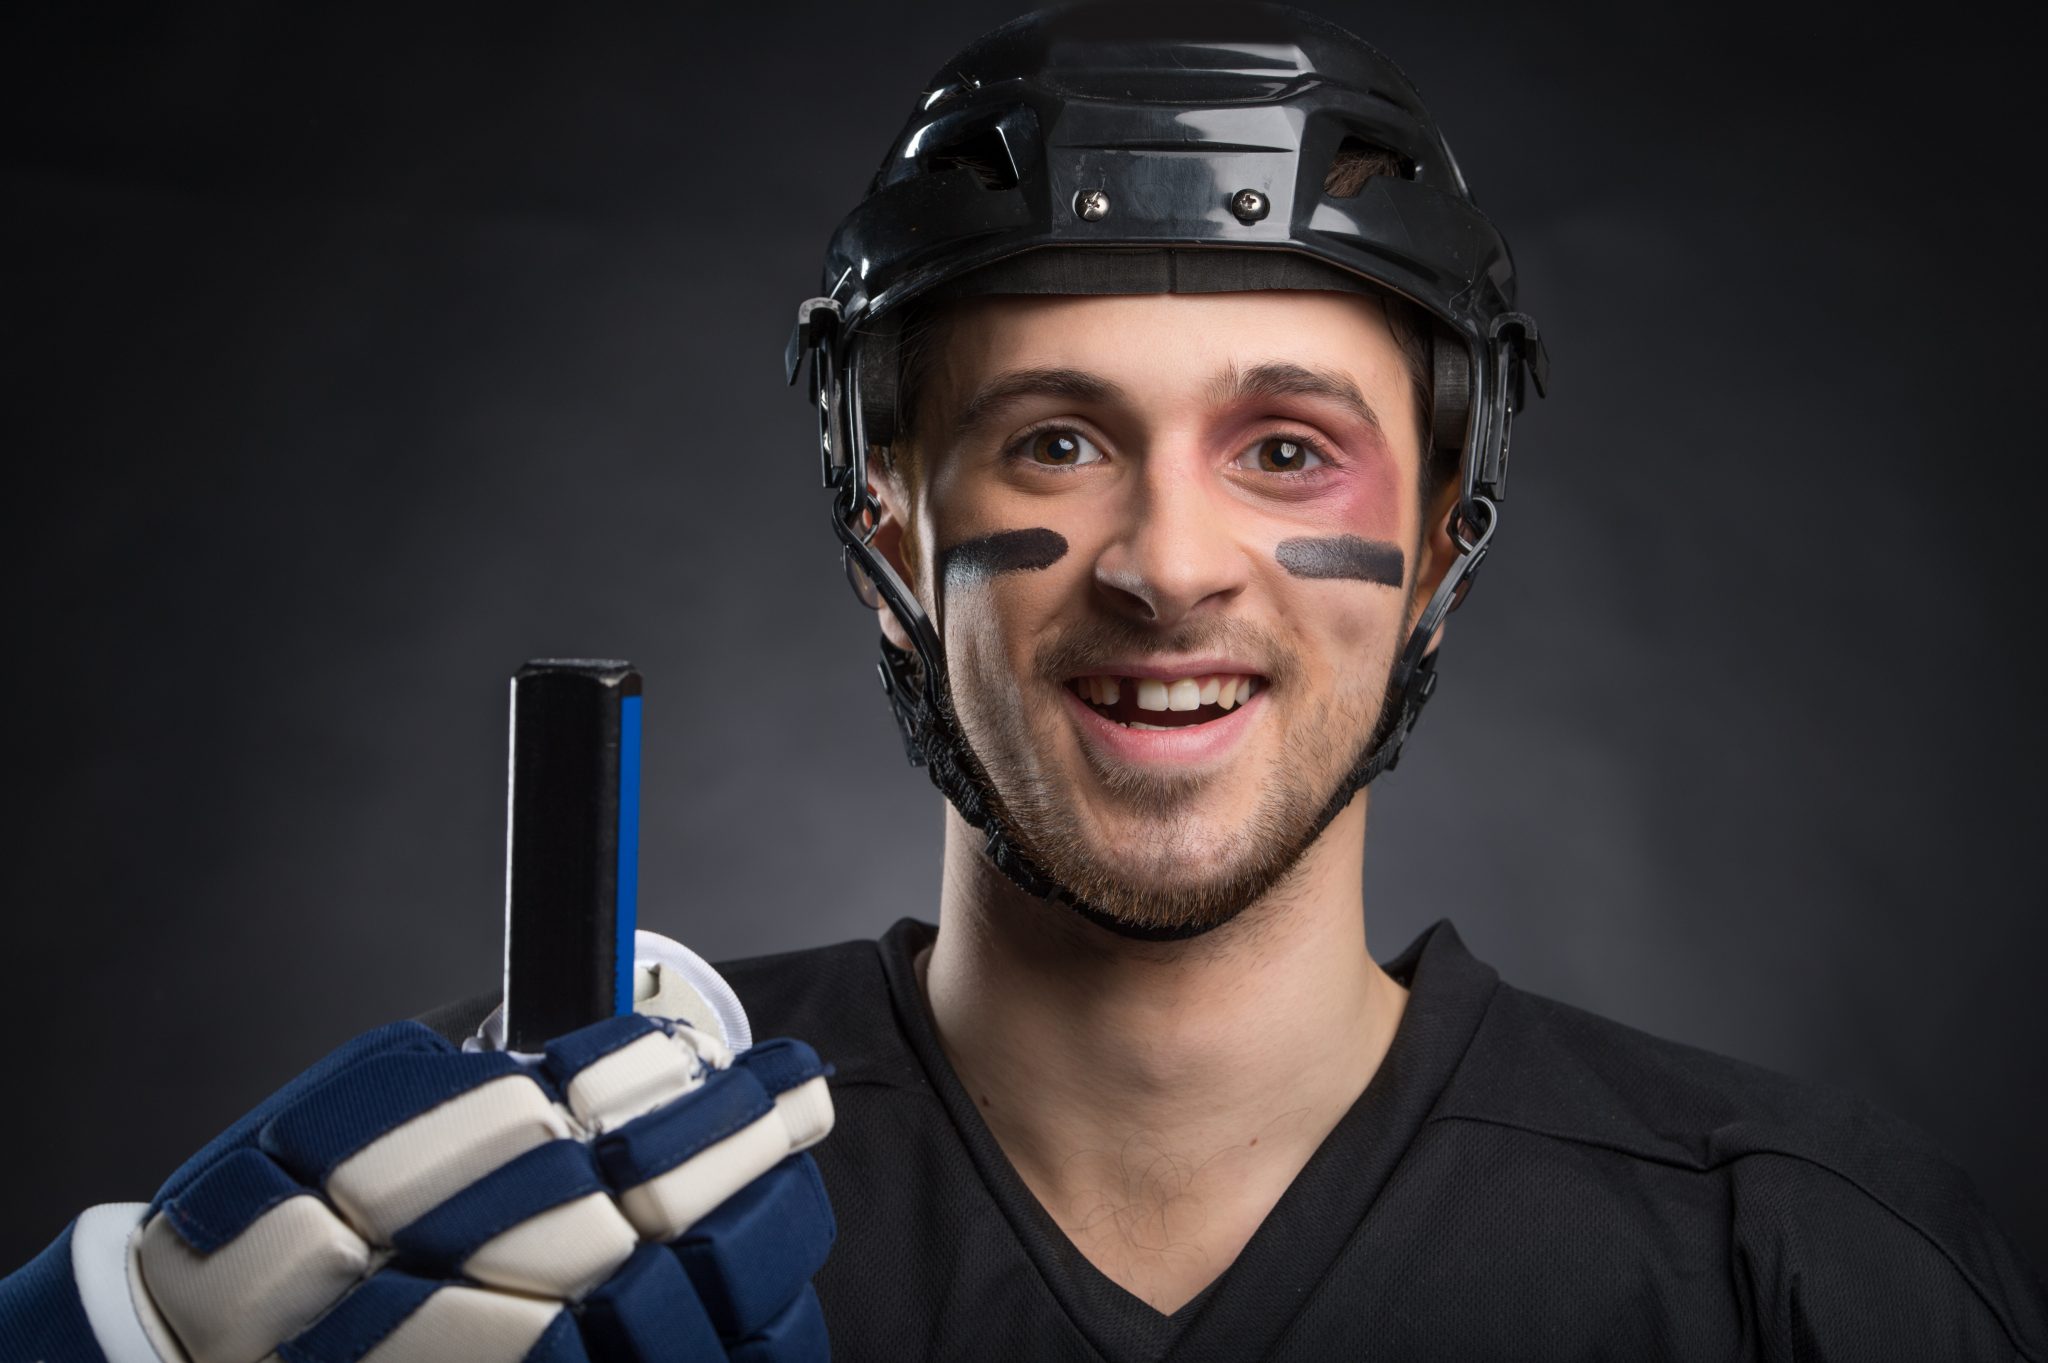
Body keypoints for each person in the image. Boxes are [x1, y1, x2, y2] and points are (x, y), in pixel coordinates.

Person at [5, 4, 2044, 1361]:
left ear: (1439, 538)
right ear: (888, 525)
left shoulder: (1801, 1270)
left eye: (1284, 449)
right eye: (1053, 442)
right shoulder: (546, 1193)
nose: (1167, 563)